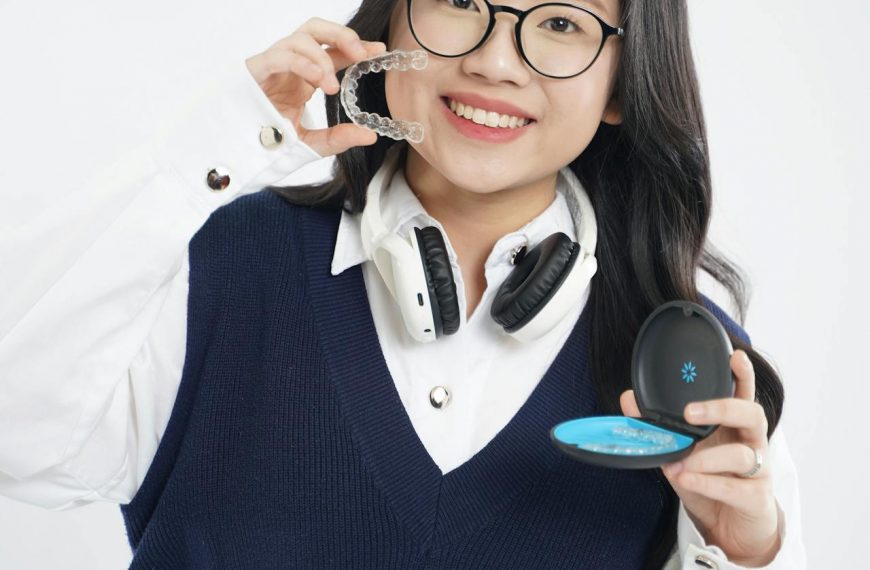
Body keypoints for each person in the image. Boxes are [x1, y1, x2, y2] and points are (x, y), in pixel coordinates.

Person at [0, 0, 807, 568]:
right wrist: (214, 148)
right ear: (390, 24)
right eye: (460, 0)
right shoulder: (217, 262)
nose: (495, 61)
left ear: (625, 85)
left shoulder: (688, 365)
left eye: (561, 23)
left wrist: (743, 552)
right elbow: (17, 432)